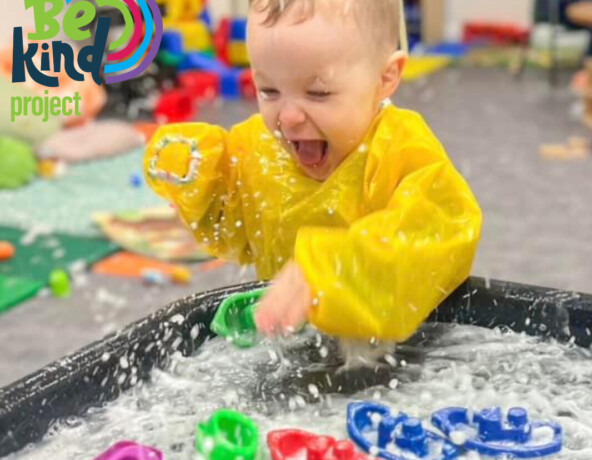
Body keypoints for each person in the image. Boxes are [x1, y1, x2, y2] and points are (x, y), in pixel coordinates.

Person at [144, 0, 482, 343]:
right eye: (269, 90)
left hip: (404, 354)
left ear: (385, 78)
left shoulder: (400, 150)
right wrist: (198, 176)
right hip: (292, 350)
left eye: (318, 93)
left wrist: (332, 273)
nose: (288, 117)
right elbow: (234, 226)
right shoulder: (261, 149)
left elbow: (436, 233)